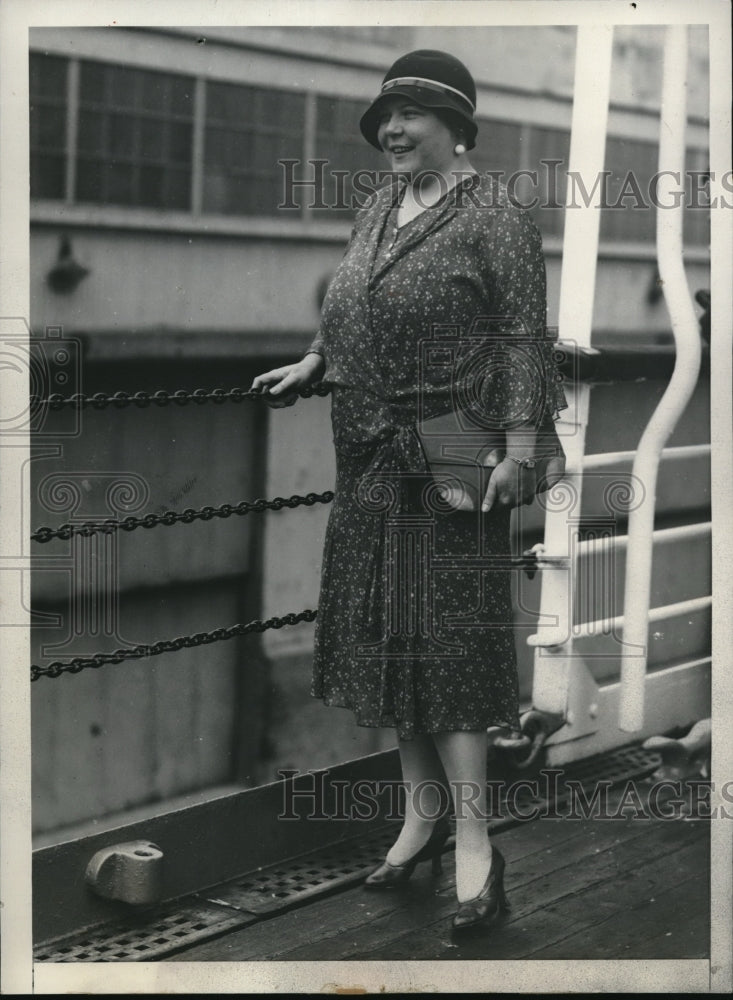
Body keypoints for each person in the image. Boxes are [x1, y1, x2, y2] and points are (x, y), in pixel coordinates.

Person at [252, 49, 566, 932]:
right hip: (372, 447)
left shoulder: (494, 214)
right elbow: (353, 297)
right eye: (383, 118)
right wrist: (317, 357)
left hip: (460, 446)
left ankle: (475, 844)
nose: (390, 131)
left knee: (452, 653)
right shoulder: (378, 204)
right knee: (394, 640)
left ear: (455, 126)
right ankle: (419, 818)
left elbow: (518, 338)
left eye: (409, 116)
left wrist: (513, 447)